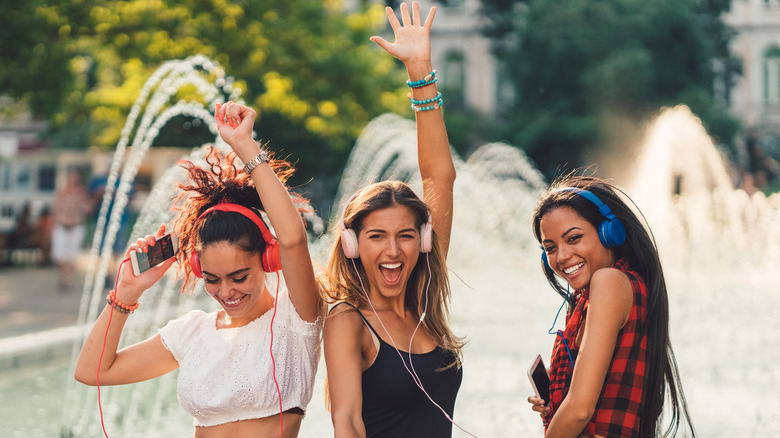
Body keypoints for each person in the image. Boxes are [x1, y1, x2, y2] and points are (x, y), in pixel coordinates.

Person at [74, 102, 323, 437]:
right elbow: (92, 372)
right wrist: (126, 294)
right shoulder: (192, 333)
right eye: (212, 279)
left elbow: (293, 239)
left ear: (268, 260)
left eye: (239, 276)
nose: (226, 292)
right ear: (196, 267)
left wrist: (244, 144)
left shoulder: (296, 320)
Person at [322, 3, 466, 437]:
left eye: (406, 235)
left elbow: (440, 176)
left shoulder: (425, 302)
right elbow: (345, 421)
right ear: (352, 244)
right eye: (377, 236)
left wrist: (421, 71)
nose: (392, 249)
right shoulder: (348, 319)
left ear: (422, 241)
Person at [527, 175, 695, 437]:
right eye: (550, 247)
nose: (561, 256)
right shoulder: (597, 293)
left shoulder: (609, 282)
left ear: (610, 233)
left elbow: (580, 409)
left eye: (573, 238)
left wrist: (569, 407)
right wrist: (558, 396)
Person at [51, 168, 90, 290]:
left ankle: (67, 279)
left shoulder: (81, 192)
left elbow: (86, 209)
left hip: (75, 225)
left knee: (71, 255)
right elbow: (56, 208)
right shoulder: (62, 192)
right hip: (62, 225)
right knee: (60, 254)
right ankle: (62, 277)